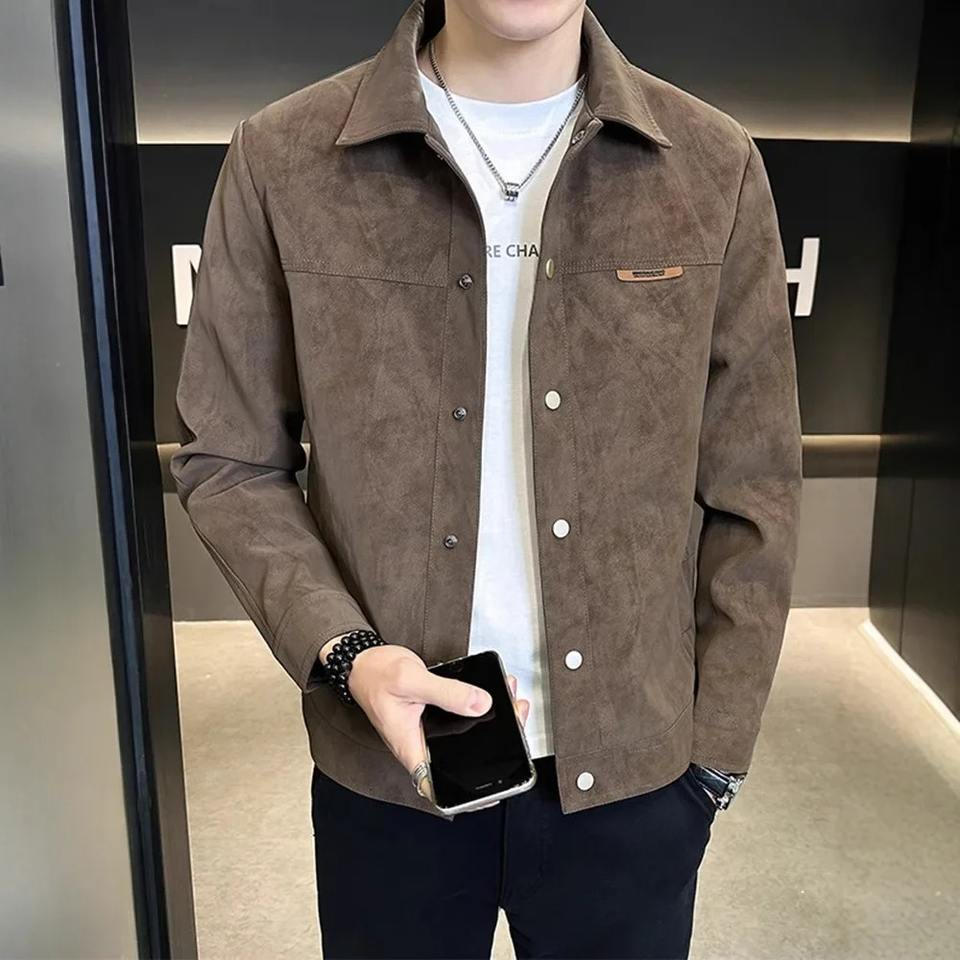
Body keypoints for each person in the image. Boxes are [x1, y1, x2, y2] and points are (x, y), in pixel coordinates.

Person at [170, 0, 803, 956]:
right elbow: (229, 458)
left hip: (635, 784)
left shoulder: (713, 164)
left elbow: (755, 483)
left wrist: (714, 760)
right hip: (388, 775)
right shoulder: (285, 156)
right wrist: (346, 654)